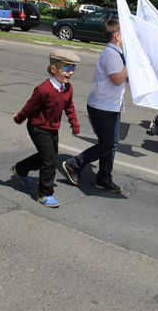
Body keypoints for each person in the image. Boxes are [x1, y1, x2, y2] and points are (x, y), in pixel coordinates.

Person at [62, 18, 127, 193]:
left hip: (111, 106)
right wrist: (129, 65)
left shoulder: (117, 52)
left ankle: (104, 177)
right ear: (117, 35)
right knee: (106, 145)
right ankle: (74, 164)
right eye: (125, 33)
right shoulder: (111, 54)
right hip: (102, 107)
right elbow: (117, 79)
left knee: (111, 145)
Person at [12, 49, 81, 208]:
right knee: (50, 160)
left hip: (52, 127)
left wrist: (74, 124)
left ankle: (20, 169)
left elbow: (69, 106)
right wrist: (19, 118)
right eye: (66, 68)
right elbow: (30, 107)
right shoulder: (43, 89)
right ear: (53, 69)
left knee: (47, 156)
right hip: (37, 127)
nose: (70, 72)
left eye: (73, 68)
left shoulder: (67, 88)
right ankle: (44, 193)